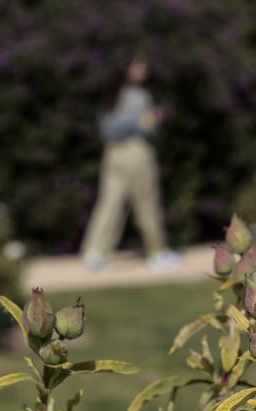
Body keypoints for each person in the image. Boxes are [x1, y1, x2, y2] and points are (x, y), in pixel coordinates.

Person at [81, 56, 180, 272]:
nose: (143, 70)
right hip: (136, 151)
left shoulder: (110, 93)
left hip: (113, 154)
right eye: (139, 66)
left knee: (109, 202)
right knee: (146, 202)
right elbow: (145, 126)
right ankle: (157, 251)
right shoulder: (138, 95)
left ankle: (94, 251)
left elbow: (107, 127)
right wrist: (151, 119)